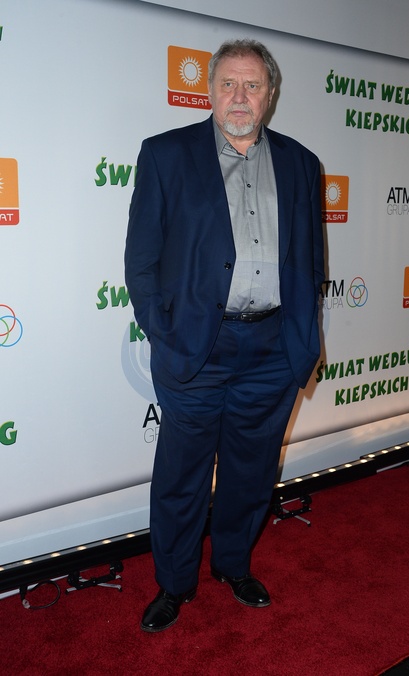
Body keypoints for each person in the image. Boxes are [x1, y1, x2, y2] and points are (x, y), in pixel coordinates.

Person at [124, 38, 324, 633]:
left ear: (270, 94)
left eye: (252, 85)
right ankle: (174, 583)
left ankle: (234, 565)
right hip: (196, 349)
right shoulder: (166, 154)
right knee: (182, 475)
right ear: (210, 90)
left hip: (272, 350)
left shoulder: (301, 163)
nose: (240, 96)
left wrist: (301, 339)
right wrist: (165, 332)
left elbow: (310, 260)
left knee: (251, 471)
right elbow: (141, 261)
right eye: (228, 84)